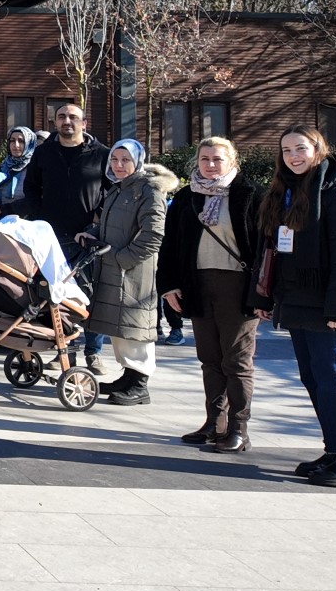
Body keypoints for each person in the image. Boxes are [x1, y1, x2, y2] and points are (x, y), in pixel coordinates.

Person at [258, 127, 336, 488]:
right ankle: (335, 449)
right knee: (315, 378)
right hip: (298, 300)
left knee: (333, 377)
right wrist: (266, 297)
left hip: (326, 305)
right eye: (286, 150)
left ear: (319, 149)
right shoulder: (290, 191)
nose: (293, 156)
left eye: (300, 149)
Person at [158, 136, 264, 451]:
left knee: (236, 361)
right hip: (198, 285)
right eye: (205, 159)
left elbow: (265, 246)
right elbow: (170, 243)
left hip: (238, 287)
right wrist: (168, 285)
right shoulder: (187, 196)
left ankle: (238, 429)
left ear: (232, 161)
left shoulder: (252, 194)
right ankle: (214, 423)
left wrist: (263, 294)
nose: (211, 165)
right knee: (209, 359)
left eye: (218, 159)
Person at [80, 138, 176, 406]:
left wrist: (123, 259)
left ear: (138, 161)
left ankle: (140, 384)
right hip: (114, 268)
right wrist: (91, 234)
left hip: (133, 272)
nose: (119, 165)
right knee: (121, 327)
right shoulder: (119, 188)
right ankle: (129, 376)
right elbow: (111, 225)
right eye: (114, 159)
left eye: (126, 160)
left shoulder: (148, 190)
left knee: (136, 327)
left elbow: (154, 235)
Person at [20, 103, 112, 369]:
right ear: (55, 122)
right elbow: (31, 188)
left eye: (73, 117)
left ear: (84, 123)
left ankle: (93, 352)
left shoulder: (102, 154)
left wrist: (97, 223)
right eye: (61, 117)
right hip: (52, 239)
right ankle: (65, 351)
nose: (67, 121)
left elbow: (111, 191)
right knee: (56, 296)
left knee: (92, 295)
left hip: (89, 238)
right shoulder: (43, 153)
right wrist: (40, 220)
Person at [0, 125, 37, 217]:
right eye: (12, 140)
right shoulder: (1, 167)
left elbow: (34, 201)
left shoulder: (35, 168)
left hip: (27, 222)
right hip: (0, 220)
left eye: (21, 141)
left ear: (29, 143)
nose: (16, 145)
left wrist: (1, 209)